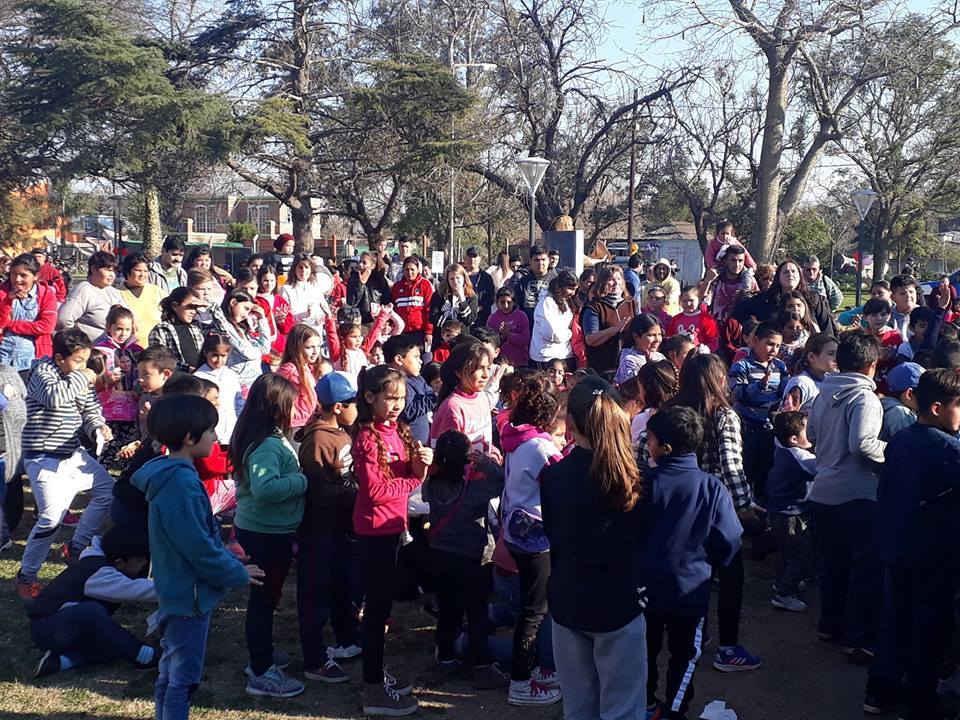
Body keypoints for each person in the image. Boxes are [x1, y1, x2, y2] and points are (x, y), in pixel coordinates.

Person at [131, 394, 263, 720]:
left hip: (176, 589)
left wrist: (225, 550)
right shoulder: (180, 484)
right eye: (211, 432)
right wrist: (236, 573)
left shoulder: (177, 476)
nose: (216, 439)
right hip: (188, 597)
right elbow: (197, 549)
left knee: (171, 668)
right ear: (190, 438)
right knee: (183, 678)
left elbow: (196, 536)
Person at [540, 375, 647, 719]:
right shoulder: (635, 476)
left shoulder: (554, 476)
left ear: (570, 422)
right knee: (623, 708)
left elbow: (555, 535)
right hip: (619, 601)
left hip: (570, 598)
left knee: (579, 706)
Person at [864, 368, 960, 719]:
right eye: (958, 407)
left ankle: (879, 691)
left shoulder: (903, 438)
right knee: (929, 630)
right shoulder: (948, 449)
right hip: (932, 555)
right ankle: (918, 703)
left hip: (895, 545)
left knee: (894, 622)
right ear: (937, 408)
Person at [640, 406, 742, 720]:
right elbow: (729, 542)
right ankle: (674, 710)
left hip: (644, 590)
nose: (647, 445)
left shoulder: (643, 483)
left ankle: (645, 705)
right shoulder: (712, 488)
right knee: (685, 655)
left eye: (651, 439)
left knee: (644, 651)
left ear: (664, 448)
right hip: (690, 592)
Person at [664, 353, 761, 672]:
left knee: (697, 574)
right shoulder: (724, 415)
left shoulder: (674, 412)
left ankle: (697, 635)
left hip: (682, 504)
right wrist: (746, 508)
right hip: (718, 507)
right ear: (719, 380)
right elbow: (733, 468)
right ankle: (728, 649)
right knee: (731, 577)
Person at [352, 365, 433, 716]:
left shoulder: (396, 430)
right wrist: (413, 483)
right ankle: (372, 689)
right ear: (370, 398)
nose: (398, 404)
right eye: (391, 397)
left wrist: (421, 464)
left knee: (384, 608)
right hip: (375, 531)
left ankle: (375, 675)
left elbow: (406, 474)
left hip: (393, 527)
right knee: (376, 612)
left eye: (402, 397)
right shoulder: (368, 438)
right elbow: (376, 490)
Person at [14, 329, 114, 600]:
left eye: (85, 360)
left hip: (73, 454)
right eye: (77, 360)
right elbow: (54, 397)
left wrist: (99, 425)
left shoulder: (77, 375)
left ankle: (76, 545)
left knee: (108, 490)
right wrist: (82, 375)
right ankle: (27, 575)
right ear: (59, 358)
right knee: (51, 518)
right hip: (43, 457)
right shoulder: (41, 373)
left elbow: (89, 407)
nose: (83, 366)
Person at [807, 332, 885, 664]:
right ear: (872, 364)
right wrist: (892, 452)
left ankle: (830, 626)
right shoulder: (865, 398)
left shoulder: (824, 393)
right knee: (863, 571)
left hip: (822, 492)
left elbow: (809, 435)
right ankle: (857, 640)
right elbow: (863, 444)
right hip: (857, 496)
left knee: (832, 566)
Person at [423, 429, 508, 689]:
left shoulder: (431, 486)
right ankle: (482, 665)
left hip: (440, 556)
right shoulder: (475, 490)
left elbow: (425, 495)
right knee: (476, 612)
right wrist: (487, 464)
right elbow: (504, 482)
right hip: (471, 559)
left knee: (448, 611)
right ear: (467, 459)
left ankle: (445, 659)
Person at [499, 373, 564, 707]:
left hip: (515, 531)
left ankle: (539, 668)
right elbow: (562, 478)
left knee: (533, 605)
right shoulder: (540, 446)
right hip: (535, 538)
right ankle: (521, 683)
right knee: (534, 611)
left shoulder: (516, 439)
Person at [296, 371, 361, 680]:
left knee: (341, 584)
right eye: (352, 403)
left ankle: (348, 638)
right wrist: (354, 494)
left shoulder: (341, 432)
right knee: (316, 594)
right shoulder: (319, 439)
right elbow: (319, 488)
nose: (356, 408)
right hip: (320, 528)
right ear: (337, 406)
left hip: (340, 526)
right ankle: (314, 658)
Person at [29, 524, 156, 678]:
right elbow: (137, 590)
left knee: (117, 641)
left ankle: (62, 662)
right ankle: (145, 656)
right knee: (92, 612)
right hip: (50, 629)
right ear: (119, 563)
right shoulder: (101, 575)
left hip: (65, 628)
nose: (143, 564)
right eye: (138, 560)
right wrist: (181, 590)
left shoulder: (98, 560)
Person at [766, 411, 817, 612]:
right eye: (808, 430)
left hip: (779, 512)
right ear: (794, 439)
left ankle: (783, 582)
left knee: (787, 553)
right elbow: (822, 468)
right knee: (802, 556)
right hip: (792, 515)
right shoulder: (801, 457)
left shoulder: (782, 451)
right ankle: (784, 593)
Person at [732, 260, 835, 338]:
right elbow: (738, 314)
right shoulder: (766, 300)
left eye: (793, 271)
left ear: (800, 276)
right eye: (786, 272)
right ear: (778, 277)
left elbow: (828, 329)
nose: (790, 274)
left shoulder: (814, 299)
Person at [92, 305, 142, 464]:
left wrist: (139, 388)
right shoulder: (99, 351)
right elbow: (91, 379)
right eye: (119, 329)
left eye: (127, 329)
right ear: (108, 327)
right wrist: (107, 380)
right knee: (107, 447)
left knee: (129, 447)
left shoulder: (136, 350)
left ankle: (125, 477)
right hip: (109, 408)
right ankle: (99, 479)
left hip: (133, 407)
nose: (123, 333)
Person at [430, 341, 497, 457]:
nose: (486, 375)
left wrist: (493, 454)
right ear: (459, 372)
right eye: (479, 368)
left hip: (485, 472)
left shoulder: (482, 397)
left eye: (488, 368)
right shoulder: (453, 408)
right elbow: (445, 456)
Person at [0, 252, 57, 378]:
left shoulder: (46, 295)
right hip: (3, 356)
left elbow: (46, 326)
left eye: (23, 275)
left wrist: (11, 324)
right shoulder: (3, 292)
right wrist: (8, 301)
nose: (17, 279)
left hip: (31, 359)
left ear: (35, 276)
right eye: (14, 274)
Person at [582, 264, 637, 376]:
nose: (616, 283)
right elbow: (590, 339)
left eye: (618, 279)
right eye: (611, 280)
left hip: (628, 366)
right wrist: (615, 330)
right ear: (603, 283)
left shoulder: (632, 303)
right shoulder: (594, 307)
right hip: (602, 368)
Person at [56, 251, 124, 341]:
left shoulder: (114, 292)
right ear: (94, 269)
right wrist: (78, 341)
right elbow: (63, 319)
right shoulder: (84, 290)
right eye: (108, 270)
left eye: (114, 271)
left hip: (113, 350)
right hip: (90, 350)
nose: (112, 275)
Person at [385, 334, 435, 446]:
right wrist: (432, 399)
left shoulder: (417, 378)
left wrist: (431, 398)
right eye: (416, 357)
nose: (421, 361)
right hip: (407, 444)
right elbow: (409, 411)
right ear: (399, 359)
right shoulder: (395, 384)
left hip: (423, 442)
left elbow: (429, 392)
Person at [220, 289, 272, 397]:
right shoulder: (224, 328)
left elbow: (265, 348)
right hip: (237, 386)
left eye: (249, 311)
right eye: (245, 309)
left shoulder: (242, 329)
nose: (246, 315)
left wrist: (262, 318)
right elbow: (247, 353)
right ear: (233, 303)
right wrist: (259, 352)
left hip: (253, 384)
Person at [193, 333, 243, 444]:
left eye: (223, 356)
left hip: (233, 431)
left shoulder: (231, 374)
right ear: (206, 353)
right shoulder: (199, 377)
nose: (219, 360)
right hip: (212, 433)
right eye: (215, 355)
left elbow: (239, 401)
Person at [276, 323, 325, 434]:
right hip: (294, 425)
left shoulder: (309, 368)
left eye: (318, 346)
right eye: (309, 347)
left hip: (309, 422)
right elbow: (274, 390)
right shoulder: (289, 369)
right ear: (295, 347)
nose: (315, 351)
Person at [530, 270, 577, 372]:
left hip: (564, 354)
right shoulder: (547, 302)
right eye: (570, 288)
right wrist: (570, 333)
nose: (573, 293)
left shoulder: (567, 301)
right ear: (559, 287)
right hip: (546, 357)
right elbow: (550, 334)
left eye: (575, 289)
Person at [149, 287, 205, 373]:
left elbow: (222, 333)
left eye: (195, 308)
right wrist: (187, 369)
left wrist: (210, 306)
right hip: (177, 382)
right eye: (190, 307)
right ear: (175, 306)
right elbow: (160, 360)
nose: (193, 312)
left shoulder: (197, 327)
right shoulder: (161, 330)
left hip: (200, 379)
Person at [779, 333, 839, 413]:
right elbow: (787, 417)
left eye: (837, 354)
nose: (836, 358)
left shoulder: (831, 381)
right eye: (831, 354)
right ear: (811, 357)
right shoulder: (801, 383)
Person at [118, 253, 165, 347]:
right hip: (129, 350)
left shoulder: (156, 291)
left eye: (145, 271)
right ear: (128, 272)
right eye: (138, 270)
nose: (142, 274)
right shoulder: (117, 293)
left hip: (157, 348)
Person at [391, 256, 434, 350]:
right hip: (402, 332)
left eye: (412, 269)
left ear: (418, 270)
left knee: (423, 360)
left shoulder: (425, 285)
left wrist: (429, 332)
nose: (409, 273)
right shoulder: (396, 287)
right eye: (406, 269)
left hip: (420, 332)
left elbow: (429, 310)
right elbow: (393, 310)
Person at [429, 265, 479, 344]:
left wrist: (462, 299)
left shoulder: (471, 296)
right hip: (442, 339)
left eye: (458, 278)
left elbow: (469, 319)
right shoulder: (439, 294)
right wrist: (450, 326)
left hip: (462, 340)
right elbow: (432, 316)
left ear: (464, 278)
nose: (455, 281)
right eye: (452, 279)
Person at [708, 244, 757, 323]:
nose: (737, 265)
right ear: (726, 261)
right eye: (733, 260)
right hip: (715, 326)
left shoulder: (750, 282)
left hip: (738, 328)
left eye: (740, 261)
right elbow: (700, 298)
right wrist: (707, 281)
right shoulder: (716, 278)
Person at [255, 264, 295, 356]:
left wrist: (282, 322)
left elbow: (288, 327)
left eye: (272, 280)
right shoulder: (256, 301)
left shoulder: (280, 300)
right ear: (259, 280)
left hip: (279, 347)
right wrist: (271, 320)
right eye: (266, 280)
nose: (269, 284)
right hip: (262, 345)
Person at [281, 253, 329, 329]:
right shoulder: (286, 289)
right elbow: (286, 318)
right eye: (300, 267)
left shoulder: (316, 289)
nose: (303, 271)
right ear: (294, 269)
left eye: (306, 267)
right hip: (296, 332)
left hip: (314, 333)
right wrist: (305, 315)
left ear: (311, 270)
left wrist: (327, 314)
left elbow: (321, 317)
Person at [488, 286, 531, 368]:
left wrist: (509, 334)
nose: (506, 306)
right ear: (497, 303)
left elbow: (525, 339)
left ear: (514, 302)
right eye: (502, 302)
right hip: (500, 362)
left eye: (509, 302)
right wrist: (500, 335)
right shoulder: (493, 318)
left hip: (519, 361)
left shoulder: (521, 316)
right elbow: (489, 341)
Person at [879, 361, 922, 442]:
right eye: (924, 393)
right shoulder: (902, 414)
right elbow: (912, 449)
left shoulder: (887, 404)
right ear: (909, 394)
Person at [667, 286, 719, 352]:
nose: (688, 304)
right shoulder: (676, 319)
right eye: (684, 301)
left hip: (699, 355)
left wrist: (706, 349)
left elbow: (714, 341)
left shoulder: (706, 318)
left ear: (699, 300)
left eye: (691, 300)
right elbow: (670, 338)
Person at [515, 246, 556, 325]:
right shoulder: (523, 282)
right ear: (530, 261)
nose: (540, 263)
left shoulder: (556, 280)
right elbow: (517, 306)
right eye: (536, 260)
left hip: (550, 327)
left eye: (543, 259)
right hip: (528, 328)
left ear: (548, 260)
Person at [347, 252, 391, 325]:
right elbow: (352, 302)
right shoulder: (354, 278)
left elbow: (386, 300)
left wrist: (381, 310)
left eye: (364, 263)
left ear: (372, 266)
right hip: (358, 321)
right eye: (359, 262)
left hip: (375, 320)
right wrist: (360, 284)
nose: (360, 265)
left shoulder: (380, 280)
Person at [463, 247, 496, 327]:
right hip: (461, 317)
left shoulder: (486, 278)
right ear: (465, 258)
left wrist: (478, 308)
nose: (472, 259)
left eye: (475, 256)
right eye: (470, 256)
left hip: (480, 319)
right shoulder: (459, 275)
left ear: (479, 259)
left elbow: (490, 298)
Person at [889, 274, 919, 340]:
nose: (908, 296)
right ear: (893, 297)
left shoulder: (924, 314)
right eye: (902, 293)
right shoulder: (888, 316)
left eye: (911, 292)